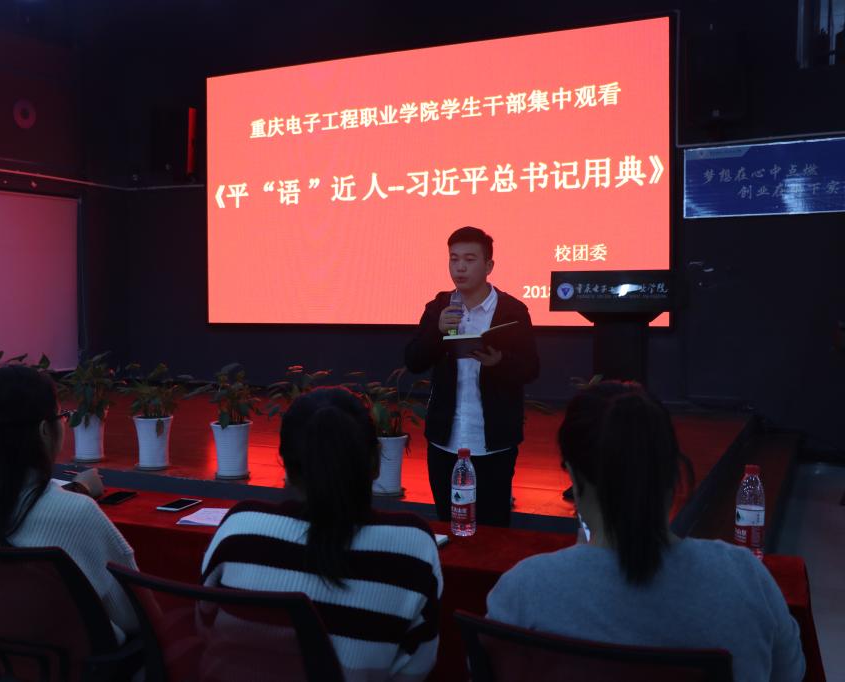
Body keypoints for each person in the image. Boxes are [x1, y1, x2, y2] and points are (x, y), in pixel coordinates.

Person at [486, 382, 805, 682]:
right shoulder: (746, 579)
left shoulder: (523, 589)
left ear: (573, 475)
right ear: (673, 471)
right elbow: (791, 674)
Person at [202, 388, 443, 682]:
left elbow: (206, 626)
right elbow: (416, 668)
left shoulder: (239, 528)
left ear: (285, 464)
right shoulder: (414, 548)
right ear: (376, 462)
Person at [0, 365, 138, 642]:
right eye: (62, 416)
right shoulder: (77, 512)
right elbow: (134, 614)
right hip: (87, 661)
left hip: (0, 657)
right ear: (45, 430)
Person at [405, 226, 539, 527]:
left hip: (493, 441)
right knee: (447, 522)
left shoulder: (512, 311)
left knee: (493, 526)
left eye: (469, 259)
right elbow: (413, 361)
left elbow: (531, 368)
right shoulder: (438, 308)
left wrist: (499, 362)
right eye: (454, 259)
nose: (460, 267)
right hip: (445, 440)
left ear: (489, 266)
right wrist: (436, 331)